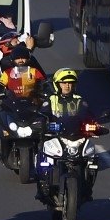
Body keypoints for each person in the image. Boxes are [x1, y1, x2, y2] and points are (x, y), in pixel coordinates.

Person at [35, 68, 97, 202]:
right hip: (54, 136)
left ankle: (87, 186)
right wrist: (41, 124)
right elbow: (42, 114)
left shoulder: (80, 100)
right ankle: (42, 186)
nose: (67, 85)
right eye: (63, 83)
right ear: (58, 84)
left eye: (70, 83)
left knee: (92, 159)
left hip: (76, 136)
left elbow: (88, 115)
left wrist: (96, 125)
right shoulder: (51, 100)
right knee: (42, 158)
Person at [0, 44, 45, 145]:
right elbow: (0, 85)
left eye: (23, 58)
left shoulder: (34, 71)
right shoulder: (7, 73)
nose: (20, 61)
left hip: (31, 101)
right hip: (11, 101)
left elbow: (43, 84)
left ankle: (46, 133)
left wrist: (42, 92)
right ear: (12, 60)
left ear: (28, 59)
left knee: (47, 106)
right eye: (17, 58)